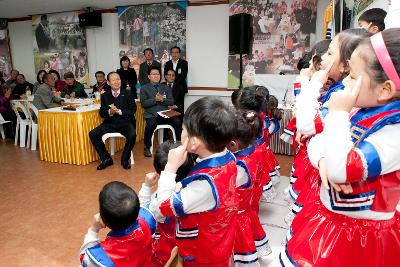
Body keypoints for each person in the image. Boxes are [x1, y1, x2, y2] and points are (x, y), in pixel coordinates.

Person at [280, 28, 400, 267]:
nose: (346, 82)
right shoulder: (363, 110)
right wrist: (324, 159)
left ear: (385, 89)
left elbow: (340, 169)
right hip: (334, 222)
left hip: (360, 238)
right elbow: (314, 141)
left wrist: (336, 115)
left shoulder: (393, 132)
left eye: (353, 77)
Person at [155, 97, 239, 266]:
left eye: (183, 129)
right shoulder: (228, 155)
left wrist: (170, 167)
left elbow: (162, 207)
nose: (181, 132)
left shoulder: (204, 185)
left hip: (203, 254)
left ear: (193, 143)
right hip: (221, 239)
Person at [138, 141, 196, 267]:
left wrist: (147, 187)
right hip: (191, 250)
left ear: (160, 172)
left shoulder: (159, 201)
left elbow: (143, 218)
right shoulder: (197, 189)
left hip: (165, 253)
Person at [79, 181, 156, 267]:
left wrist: (93, 230)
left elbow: (84, 259)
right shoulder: (146, 223)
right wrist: (147, 186)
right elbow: (143, 209)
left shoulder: (103, 258)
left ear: (103, 220)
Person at [227, 110, 262, 267]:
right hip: (245, 208)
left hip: (236, 214)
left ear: (233, 144)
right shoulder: (250, 153)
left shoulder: (239, 165)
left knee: (237, 249)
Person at [89, 72, 136, 170]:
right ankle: (106, 159)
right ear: (109, 83)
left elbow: (132, 110)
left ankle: (125, 159)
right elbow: (102, 113)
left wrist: (118, 111)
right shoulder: (105, 95)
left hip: (125, 122)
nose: (116, 82)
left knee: (132, 135)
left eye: (118, 79)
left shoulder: (128, 93)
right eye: (113, 80)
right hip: (110, 122)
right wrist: (110, 111)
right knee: (93, 134)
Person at [140, 66, 182, 157]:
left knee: (177, 121)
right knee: (151, 125)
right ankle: (147, 147)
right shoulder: (144, 88)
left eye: (158, 74)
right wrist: (155, 99)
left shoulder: (165, 87)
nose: (156, 76)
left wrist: (162, 100)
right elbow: (144, 103)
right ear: (149, 76)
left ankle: (178, 144)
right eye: (153, 74)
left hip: (165, 113)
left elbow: (171, 101)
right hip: (151, 114)